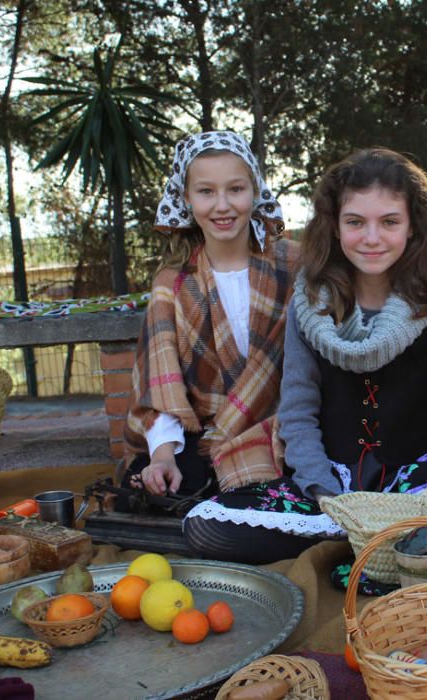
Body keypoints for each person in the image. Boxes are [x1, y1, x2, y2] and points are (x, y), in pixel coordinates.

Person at [183, 147, 427, 566]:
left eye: (389, 222)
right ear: (335, 228)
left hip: (424, 479)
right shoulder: (311, 306)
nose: (372, 238)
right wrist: (322, 492)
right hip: (334, 482)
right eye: (355, 222)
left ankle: (387, 533)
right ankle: (366, 535)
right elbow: (298, 413)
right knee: (205, 526)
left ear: (413, 228)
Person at [120, 130, 299, 507]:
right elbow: (161, 385)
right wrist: (163, 456)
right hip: (205, 436)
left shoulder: (295, 265)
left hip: (288, 426)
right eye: (206, 192)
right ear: (185, 199)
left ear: (255, 190)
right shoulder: (172, 283)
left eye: (235, 189)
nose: (222, 205)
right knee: (157, 488)